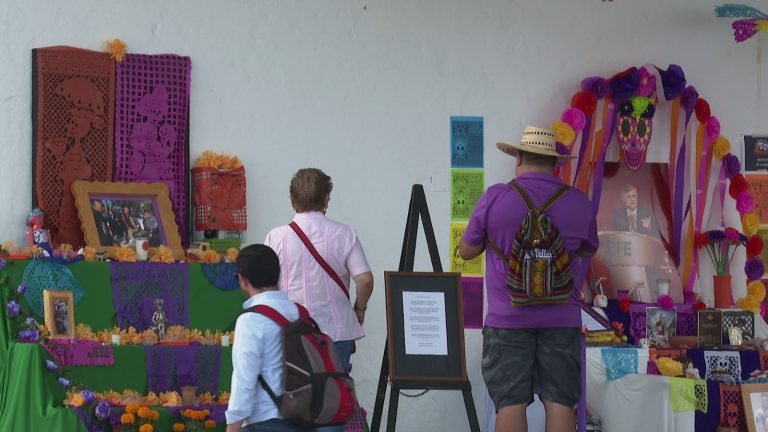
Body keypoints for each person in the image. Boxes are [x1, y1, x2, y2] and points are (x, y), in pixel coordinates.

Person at [459, 126, 598, 432]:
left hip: (507, 320)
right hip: (562, 319)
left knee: (510, 402)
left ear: (518, 157)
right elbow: (588, 251)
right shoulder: (579, 202)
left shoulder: (495, 197)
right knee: (560, 401)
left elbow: (466, 251)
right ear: (555, 164)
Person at [264, 168, 373, 432]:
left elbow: (267, 289)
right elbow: (365, 279)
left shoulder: (275, 237)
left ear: (293, 199)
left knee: (294, 398)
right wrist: (360, 309)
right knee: (331, 400)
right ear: (326, 198)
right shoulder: (345, 234)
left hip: (291, 334)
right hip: (336, 334)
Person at [225, 244, 308, 432]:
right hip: (305, 418)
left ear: (243, 280)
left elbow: (244, 380)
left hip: (265, 420)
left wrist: (232, 427)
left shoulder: (251, 320)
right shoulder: (300, 312)